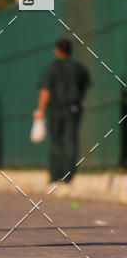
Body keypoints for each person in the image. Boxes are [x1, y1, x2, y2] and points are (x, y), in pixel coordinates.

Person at [34, 38, 91, 183]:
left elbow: (45, 91)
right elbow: (84, 89)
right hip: (73, 108)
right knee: (71, 141)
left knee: (56, 141)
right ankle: (69, 177)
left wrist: (40, 110)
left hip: (55, 109)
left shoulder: (51, 68)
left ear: (57, 50)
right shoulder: (79, 68)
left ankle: (55, 175)